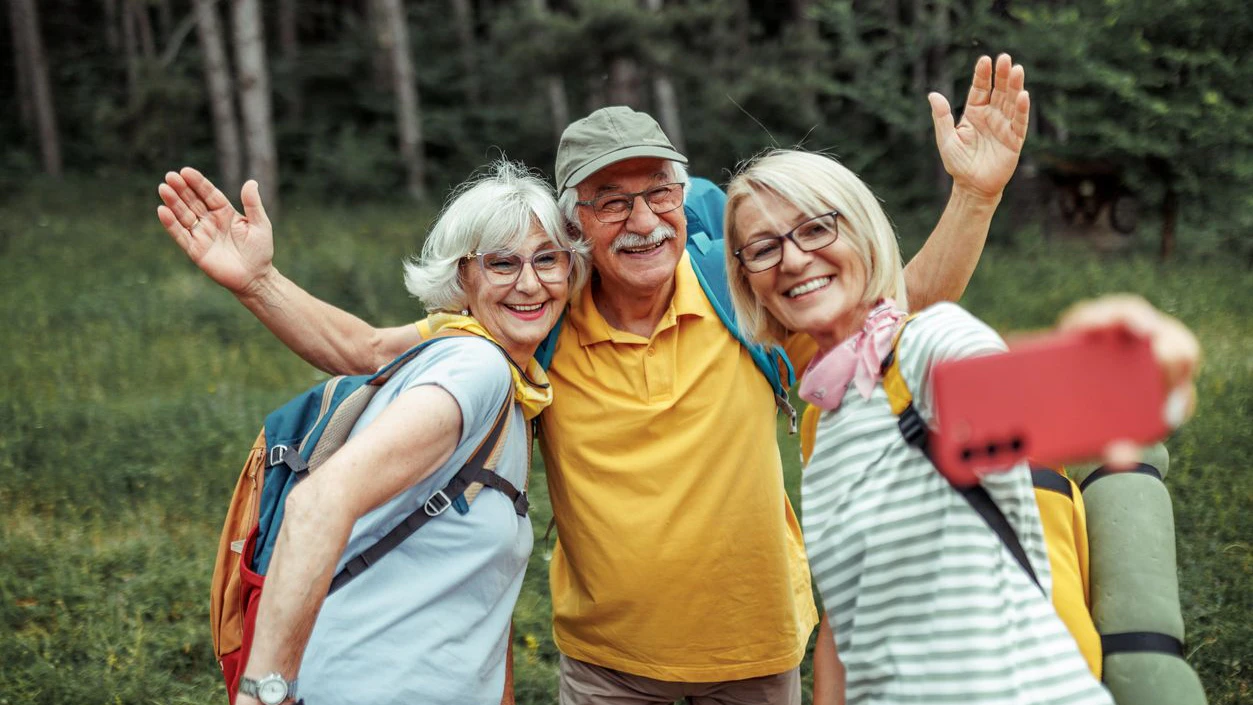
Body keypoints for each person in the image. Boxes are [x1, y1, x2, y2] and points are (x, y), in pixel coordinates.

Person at [158, 54, 1031, 704]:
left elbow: (892, 307)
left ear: (680, 194)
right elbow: (363, 348)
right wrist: (257, 281)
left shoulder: (743, 295)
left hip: (759, 657)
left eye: (657, 193)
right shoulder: (534, 323)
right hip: (606, 673)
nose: (641, 219)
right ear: (577, 221)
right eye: (611, 202)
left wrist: (974, 197)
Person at [722, 148, 1200, 704]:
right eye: (763, 248)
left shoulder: (928, 344)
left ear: (861, 231)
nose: (795, 259)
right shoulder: (826, 426)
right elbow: (850, 625)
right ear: (747, 278)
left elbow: (1026, 404)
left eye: (814, 228)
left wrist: (1125, 376)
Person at [158, 160, 590, 705]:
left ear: (570, 269)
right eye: (501, 263)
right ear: (463, 278)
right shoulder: (474, 367)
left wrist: (259, 282)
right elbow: (320, 501)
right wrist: (263, 693)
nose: (530, 283)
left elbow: (364, 348)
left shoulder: (493, 371)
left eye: (547, 259)